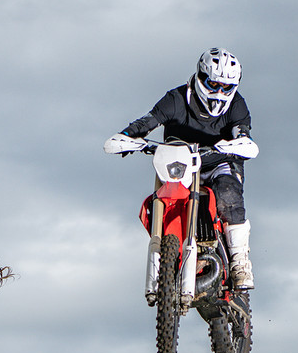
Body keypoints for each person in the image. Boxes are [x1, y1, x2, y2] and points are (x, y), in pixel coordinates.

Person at [104, 47, 259, 289]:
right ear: (200, 77)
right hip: (181, 166)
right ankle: (172, 253)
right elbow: (149, 121)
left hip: (220, 163)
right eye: (213, 83)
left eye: (226, 87)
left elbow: (242, 130)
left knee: (229, 195)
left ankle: (240, 261)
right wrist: (126, 136)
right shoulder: (176, 99)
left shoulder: (237, 105)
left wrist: (241, 142)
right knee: (165, 200)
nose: (219, 91)